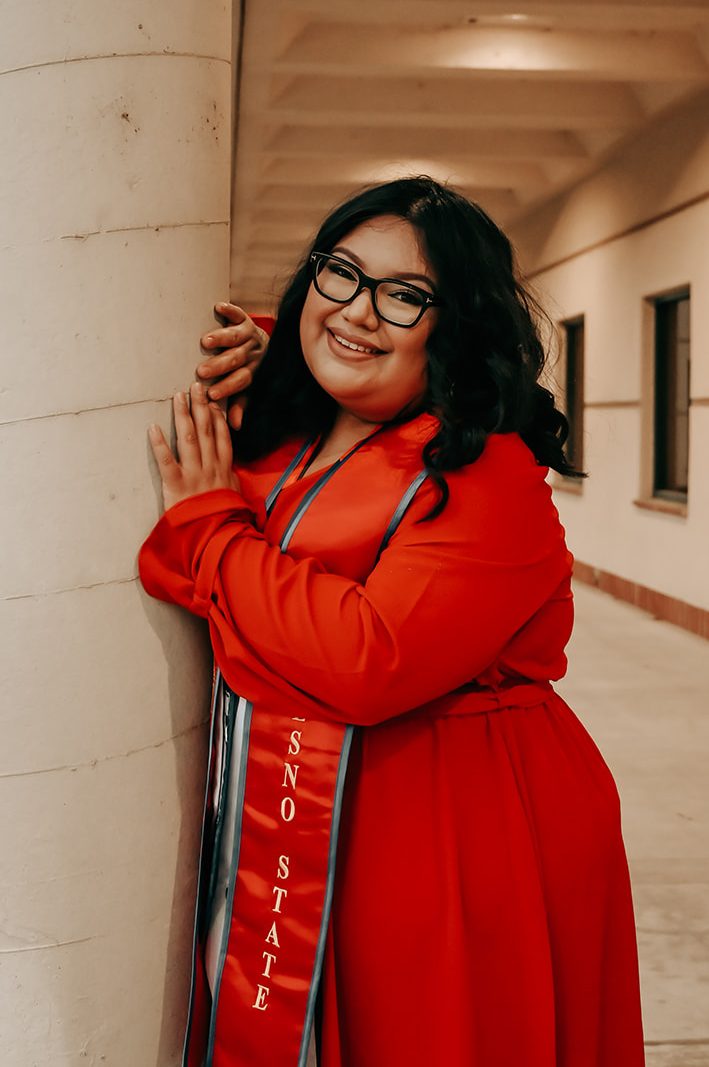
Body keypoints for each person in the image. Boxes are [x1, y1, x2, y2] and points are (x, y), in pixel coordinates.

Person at [138, 176, 646, 1067]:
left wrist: (213, 532)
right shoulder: (294, 430)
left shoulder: (488, 476)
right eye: (340, 274)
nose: (357, 312)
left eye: (403, 295)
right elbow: (208, 576)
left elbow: (366, 657)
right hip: (309, 811)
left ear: (455, 327)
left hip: (456, 828)